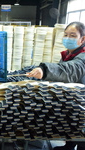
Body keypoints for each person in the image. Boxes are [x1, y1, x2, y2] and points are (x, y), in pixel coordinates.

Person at [27, 21, 85, 150]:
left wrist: (45, 70)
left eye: (73, 35)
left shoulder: (83, 57)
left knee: (82, 133)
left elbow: (70, 70)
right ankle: (68, 146)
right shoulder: (69, 54)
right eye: (66, 35)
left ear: (82, 39)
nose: (67, 38)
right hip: (75, 101)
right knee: (73, 124)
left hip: (83, 102)